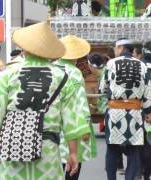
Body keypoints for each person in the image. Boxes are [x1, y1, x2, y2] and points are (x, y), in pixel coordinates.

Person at [0, 20, 89, 179]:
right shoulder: (62, 77)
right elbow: (71, 119)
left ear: (25, 49)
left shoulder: (9, 74)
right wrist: (73, 152)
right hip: (47, 149)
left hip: (14, 144)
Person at [99, 38, 151, 180]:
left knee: (112, 149)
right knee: (134, 151)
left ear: (121, 48)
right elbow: (148, 91)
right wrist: (148, 111)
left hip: (115, 112)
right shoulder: (142, 65)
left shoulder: (110, 63)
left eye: (116, 48)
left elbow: (102, 88)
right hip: (135, 113)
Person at [54, 35, 97, 180]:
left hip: (51, 123)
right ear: (76, 56)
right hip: (71, 123)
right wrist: (84, 126)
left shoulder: (51, 68)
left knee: (55, 164)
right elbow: (81, 102)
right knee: (72, 164)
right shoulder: (74, 72)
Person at [141, 40, 151, 180]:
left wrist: (146, 111)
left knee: (146, 147)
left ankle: (145, 174)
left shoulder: (141, 66)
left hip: (144, 111)